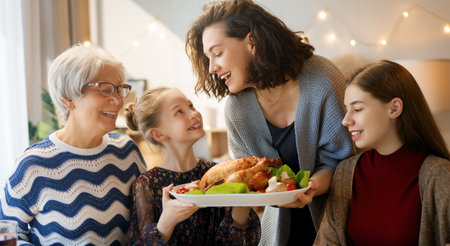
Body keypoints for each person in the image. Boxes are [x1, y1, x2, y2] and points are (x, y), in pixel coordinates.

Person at [185, 0, 353, 245]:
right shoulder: (237, 109)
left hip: (337, 226)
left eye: (218, 53)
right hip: (278, 234)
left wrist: (312, 187)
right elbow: (250, 181)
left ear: (252, 41)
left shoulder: (322, 82)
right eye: (208, 58)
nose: (212, 68)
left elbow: (342, 160)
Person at [0, 45, 147, 245]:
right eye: (105, 89)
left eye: (120, 89)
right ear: (69, 99)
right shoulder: (33, 165)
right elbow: (6, 232)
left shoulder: (126, 151)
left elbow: (145, 221)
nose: (118, 100)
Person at [314, 60, 450, 246]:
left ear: (394, 108)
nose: (345, 121)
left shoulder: (440, 176)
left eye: (358, 109)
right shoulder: (346, 172)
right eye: (347, 110)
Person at [125, 87, 261, 245]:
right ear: (159, 134)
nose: (194, 113)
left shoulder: (217, 174)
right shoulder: (147, 184)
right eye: (179, 112)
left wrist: (241, 207)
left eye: (190, 106)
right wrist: (166, 223)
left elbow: (241, 242)